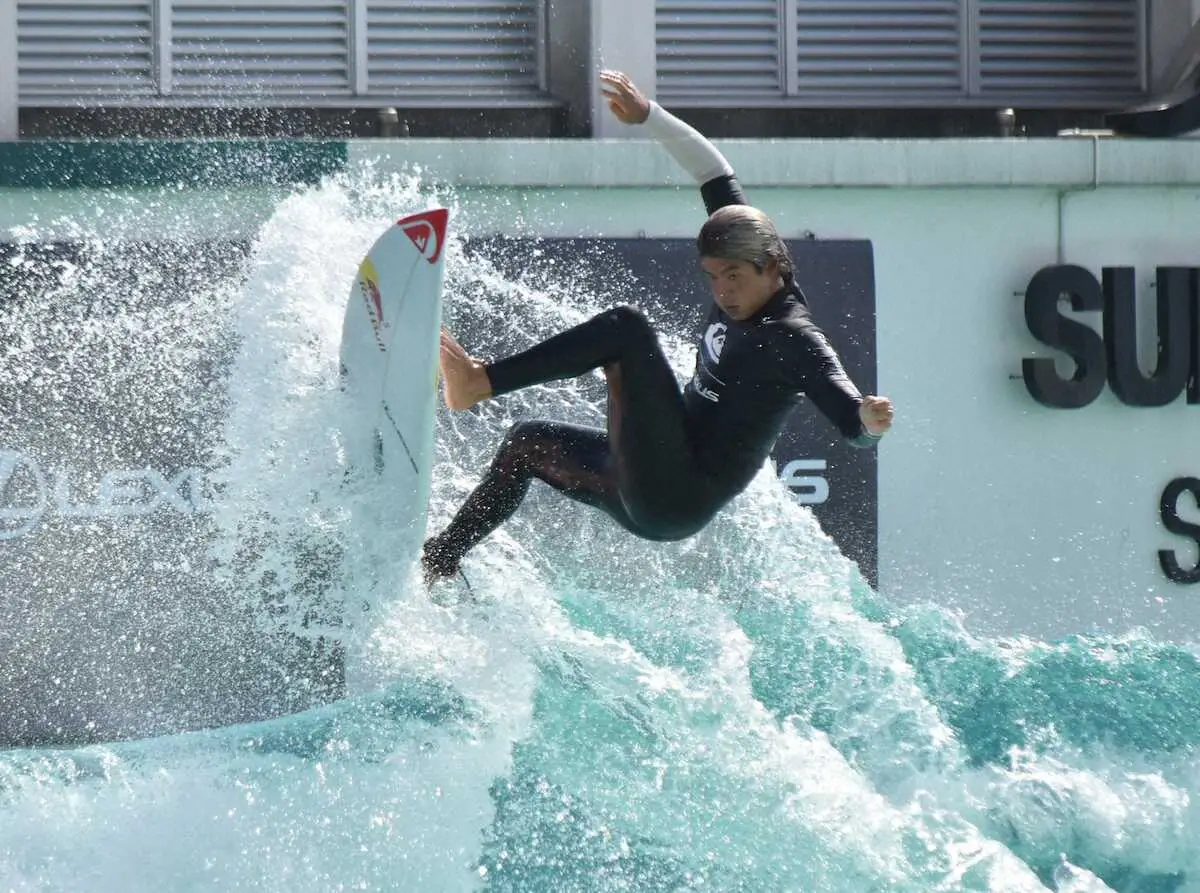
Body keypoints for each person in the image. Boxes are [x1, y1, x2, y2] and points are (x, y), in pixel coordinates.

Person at [421, 69, 894, 583]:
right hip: (640, 477)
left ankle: (477, 383)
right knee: (526, 444)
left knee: (625, 329)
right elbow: (715, 173)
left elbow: (850, 424)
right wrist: (648, 114)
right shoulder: (743, 252)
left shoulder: (793, 336)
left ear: (773, 266)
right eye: (712, 278)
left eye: (734, 277)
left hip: (675, 493)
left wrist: (868, 422)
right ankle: (441, 558)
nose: (723, 292)